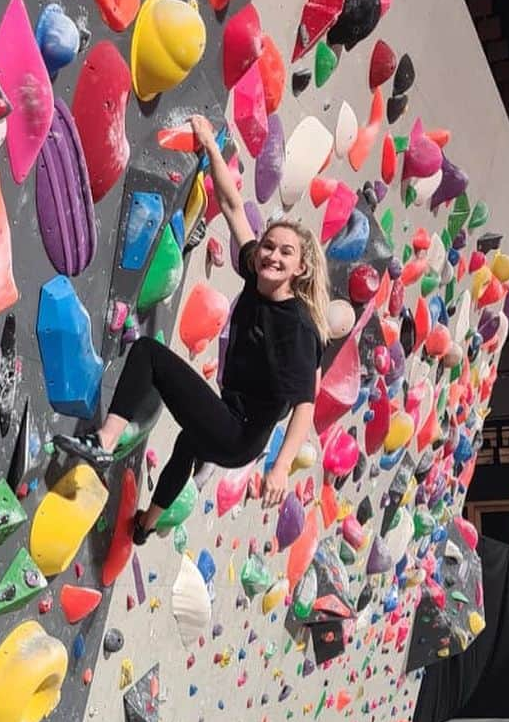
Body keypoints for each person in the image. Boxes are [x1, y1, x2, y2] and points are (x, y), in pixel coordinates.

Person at [55, 113, 330, 543]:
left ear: (300, 267)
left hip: (239, 434)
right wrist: (211, 148)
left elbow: (305, 407)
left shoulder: (296, 328)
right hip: (230, 432)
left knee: (149, 355)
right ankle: (145, 525)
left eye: (285, 253)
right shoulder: (257, 276)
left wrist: (280, 468)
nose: (272, 256)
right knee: (187, 445)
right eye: (270, 247)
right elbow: (234, 206)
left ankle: (104, 443)